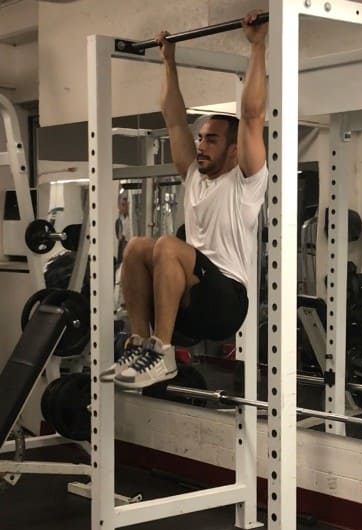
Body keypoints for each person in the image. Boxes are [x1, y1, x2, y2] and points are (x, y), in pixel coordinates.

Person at [110, 10, 268, 389]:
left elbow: (251, 115)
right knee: (135, 247)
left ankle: (162, 353)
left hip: (227, 301)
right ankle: (140, 344)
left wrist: (257, 46)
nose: (200, 144)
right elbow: (174, 119)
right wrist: (169, 61)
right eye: (201, 138)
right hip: (190, 300)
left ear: (233, 149)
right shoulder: (195, 176)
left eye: (211, 139)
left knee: (167, 245)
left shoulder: (246, 180)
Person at [115, 192, 131, 265]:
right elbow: (120, 239)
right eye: (123, 205)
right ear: (118, 205)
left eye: (127, 204)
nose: (125, 206)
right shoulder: (118, 221)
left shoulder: (133, 221)